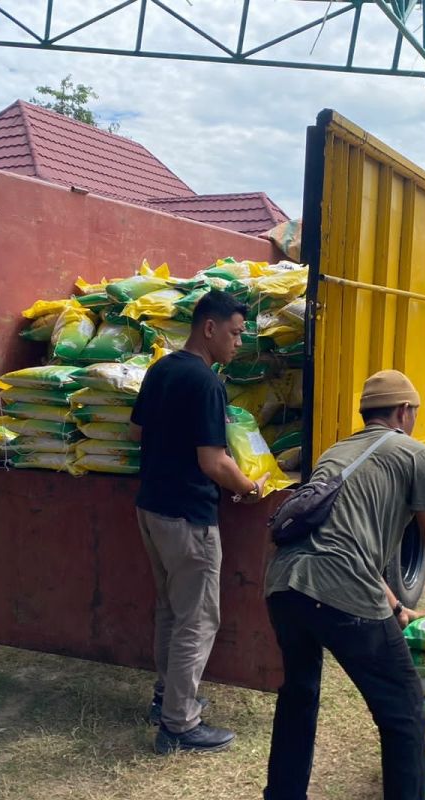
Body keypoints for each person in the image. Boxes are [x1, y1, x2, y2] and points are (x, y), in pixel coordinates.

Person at [262, 369, 425, 800]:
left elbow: (348, 538)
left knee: (299, 697)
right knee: (405, 715)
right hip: (339, 591)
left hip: (284, 584)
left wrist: (396, 608)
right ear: (404, 411)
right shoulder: (418, 456)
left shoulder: (335, 452)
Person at [129, 290, 268, 755]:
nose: (237, 344)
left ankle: (165, 699)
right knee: (198, 619)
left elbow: (137, 430)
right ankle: (179, 724)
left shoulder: (162, 369)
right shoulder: (207, 382)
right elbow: (212, 460)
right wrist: (248, 486)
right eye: (233, 333)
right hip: (189, 516)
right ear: (209, 328)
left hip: (151, 508)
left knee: (171, 610)